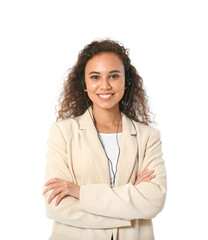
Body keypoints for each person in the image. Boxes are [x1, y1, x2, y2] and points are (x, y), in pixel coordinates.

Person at [42, 39, 167, 240]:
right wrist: (130, 206)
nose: (105, 85)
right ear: (84, 84)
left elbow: (152, 201)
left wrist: (80, 192)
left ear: (126, 81)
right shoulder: (63, 133)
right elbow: (56, 206)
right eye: (95, 77)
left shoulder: (147, 137)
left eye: (114, 76)